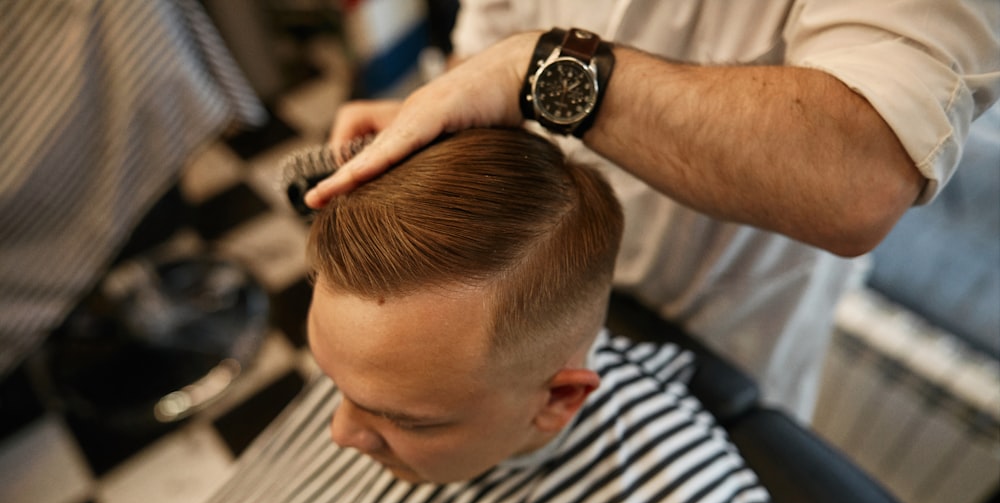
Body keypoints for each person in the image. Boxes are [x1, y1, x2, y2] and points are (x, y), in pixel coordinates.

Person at [78, 128, 824, 503]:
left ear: (561, 398)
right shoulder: (407, 370)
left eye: (403, 419)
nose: (338, 433)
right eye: (331, 383)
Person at [304, 0, 1000, 421]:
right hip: (508, 333)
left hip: (719, 334)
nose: (342, 430)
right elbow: (492, 34)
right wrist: (445, 105)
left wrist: (539, 72)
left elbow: (856, 174)